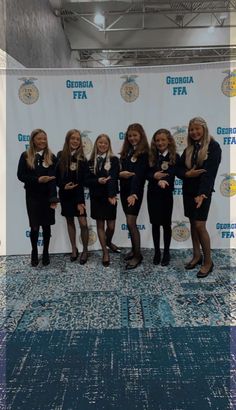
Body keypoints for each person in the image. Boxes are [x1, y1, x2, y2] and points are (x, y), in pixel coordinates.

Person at [176, 117, 221, 278]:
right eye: (191, 130)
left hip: (202, 193)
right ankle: (197, 256)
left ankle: (208, 262)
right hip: (188, 192)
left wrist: (202, 194)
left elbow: (210, 174)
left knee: (200, 226)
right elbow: (178, 169)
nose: (194, 132)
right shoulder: (189, 148)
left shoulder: (213, 147)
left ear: (204, 129)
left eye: (197, 129)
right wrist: (188, 173)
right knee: (193, 225)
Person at [17, 129, 58, 267]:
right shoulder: (25, 156)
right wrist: (37, 179)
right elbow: (21, 175)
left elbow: (57, 175)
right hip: (33, 197)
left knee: (46, 227)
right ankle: (34, 251)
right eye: (39, 139)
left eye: (44, 139)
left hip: (48, 198)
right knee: (34, 227)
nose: (42, 141)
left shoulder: (51, 156)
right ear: (33, 140)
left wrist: (54, 198)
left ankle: (45, 252)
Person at [147, 129, 180, 266]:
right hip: (153, 194)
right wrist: (155, 178)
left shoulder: (175, 156)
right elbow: (146, 173)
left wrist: (164, 180)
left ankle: (166, 252)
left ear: (169, 141)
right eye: (157, 140)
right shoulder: (150, 156)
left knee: (166, 225)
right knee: (155, 224)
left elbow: (173, 174)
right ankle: (157, 252)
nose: (160, 143)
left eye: (163, 140)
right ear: (154, 142)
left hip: (166, 195)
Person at [56, 129, 89, 264]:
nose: (75, 141)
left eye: (77, 139)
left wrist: (81, 202)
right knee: (70, 221)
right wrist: (63, 186)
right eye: (72, 138)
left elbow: (84, 182)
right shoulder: (60, 156)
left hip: (78, 196)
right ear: (67, 140)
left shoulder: (83, 159)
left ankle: (85, 250)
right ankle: (74, 248)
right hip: (65, 195)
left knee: (83, 224)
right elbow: (56, 177)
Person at [119, 123, 149, 270]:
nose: (132, 138)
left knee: (131, 223)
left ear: (141, 136)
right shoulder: (127, 151)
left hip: (134, 193)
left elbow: (139, 176)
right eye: (129, 135)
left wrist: (133, 193)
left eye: (135, 135)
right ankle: (134, 250)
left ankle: (138, 256)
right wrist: (120, 174)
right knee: (129, 222)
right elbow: (122, 171)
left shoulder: (144, 153)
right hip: (124, 191)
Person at [87, 134, 120, 267]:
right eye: (100, 142)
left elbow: (114, 177)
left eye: (105, 143)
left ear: (108, 145)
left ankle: (108, 241)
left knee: (111, 226)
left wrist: (111, 195)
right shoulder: (90, 162)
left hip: (110, 197)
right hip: (96, 197)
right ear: (96, 144)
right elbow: (86, 180)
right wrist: (97, 181)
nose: (102, 145)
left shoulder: (114, 160)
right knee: (100, 225)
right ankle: (105, 252)